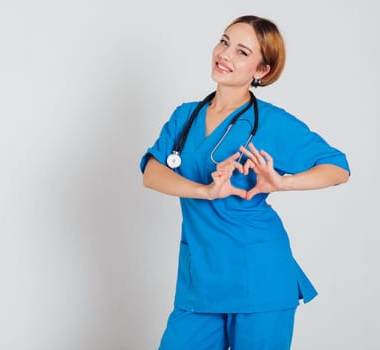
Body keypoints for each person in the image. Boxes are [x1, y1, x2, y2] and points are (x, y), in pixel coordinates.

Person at [140, 15, 350, 350]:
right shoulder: (185, 116)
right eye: (224, 42)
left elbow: (338, 168)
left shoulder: (270, 122)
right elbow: (151, 174)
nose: (225, 55)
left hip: (260, 277)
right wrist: (205, 190)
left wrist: (281, 182)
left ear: (261, 70)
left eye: (241, 52)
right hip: (201, 281)